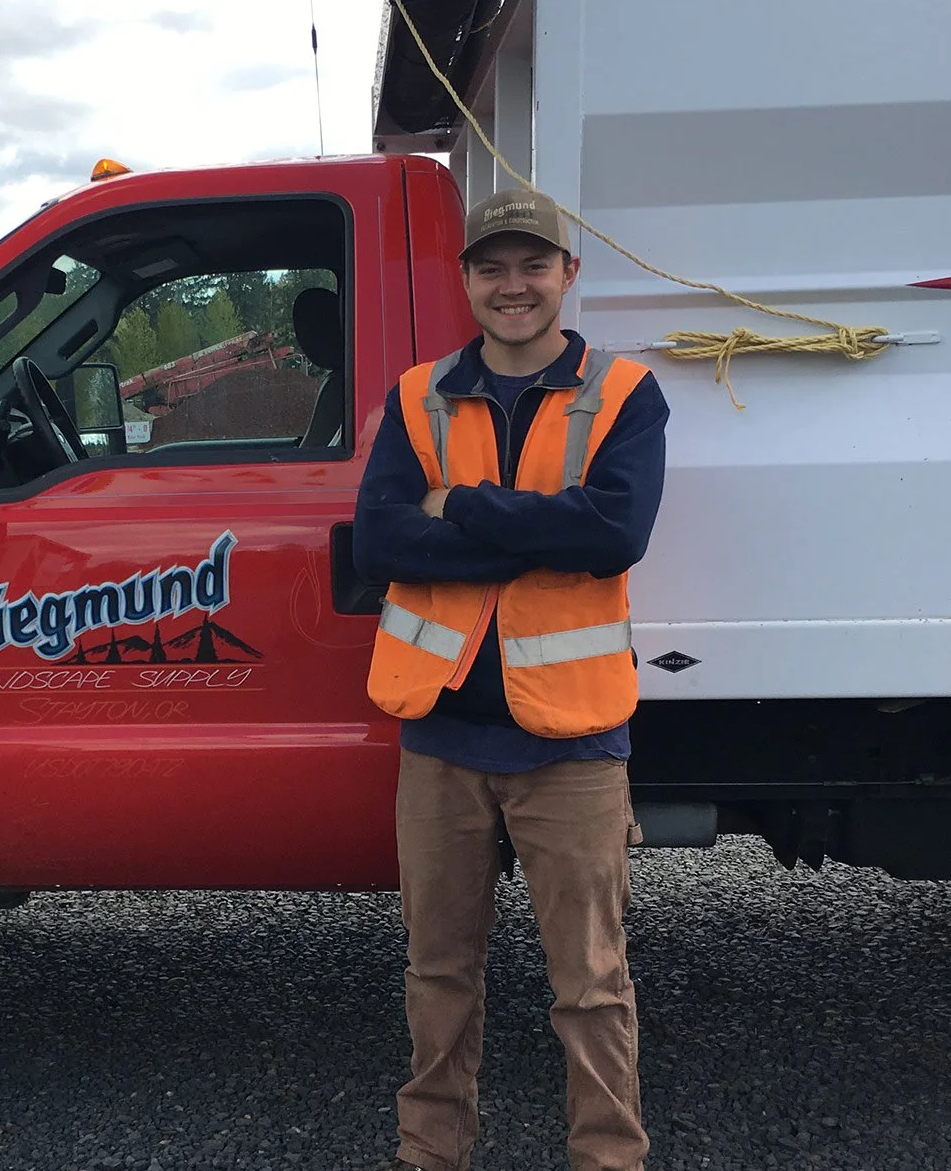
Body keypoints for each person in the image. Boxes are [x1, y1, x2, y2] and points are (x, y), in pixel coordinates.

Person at [353, 187, 669, 1171]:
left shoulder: (622, 394)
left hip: (569, 744)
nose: (512, 285)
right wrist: (537, 533)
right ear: (465, 281)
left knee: (589, 985)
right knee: (436, 975)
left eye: (532, 265)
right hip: (441, 738)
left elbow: (614, 532)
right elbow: (378, 542)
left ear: (567, 275)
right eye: (491, 266)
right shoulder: (417, 396)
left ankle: (607, 1159)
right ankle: (429, 1154)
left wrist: (463, 510)